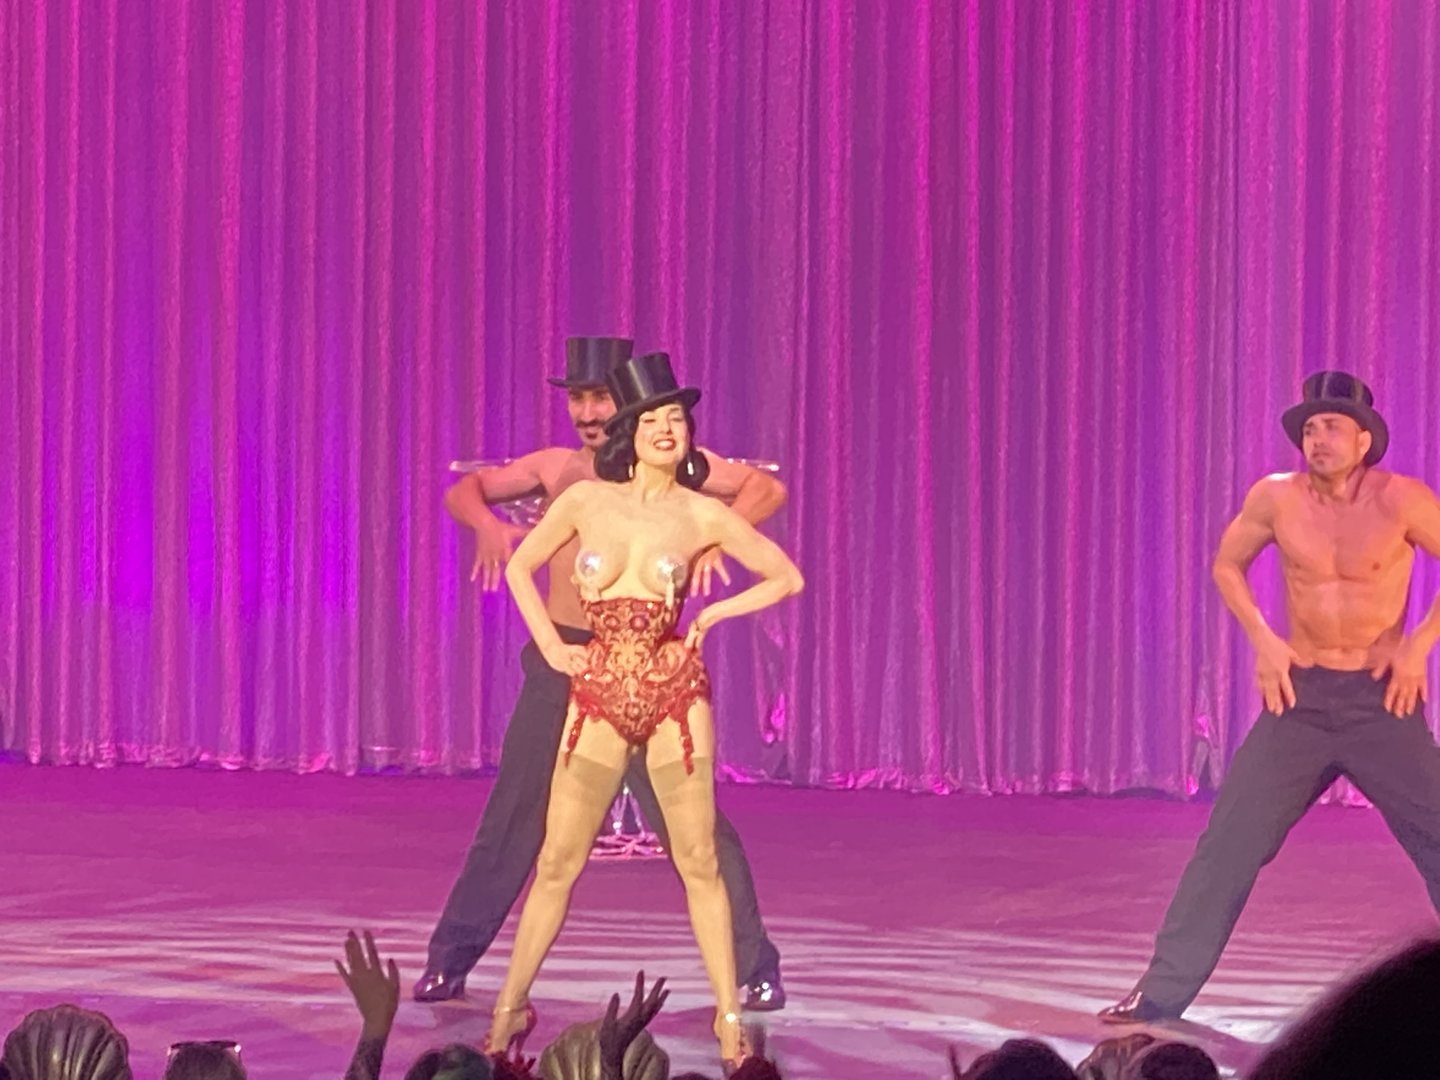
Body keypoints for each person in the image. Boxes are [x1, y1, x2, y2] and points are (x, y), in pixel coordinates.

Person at [417, 337, 789, 1012]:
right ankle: (450, 960)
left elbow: (765, 488)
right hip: (565, 661)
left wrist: (714, 537)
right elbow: (466, 490)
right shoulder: (556, 469)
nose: (588, 412)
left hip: (648, 670)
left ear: (629, 407)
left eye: (601, 399)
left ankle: (754, 967)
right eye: (578, 399)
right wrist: (487, 528)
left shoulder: (675, 467)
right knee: (515, 814)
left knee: (696, 832)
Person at [1101, 371, 1440, 1022]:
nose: (1318, 439)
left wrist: (1418, 646)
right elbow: (1227, 564)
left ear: (1364, 440)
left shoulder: (1402, 500)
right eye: (1310, 428)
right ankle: (1161, 993)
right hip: (1300, 703)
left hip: (1381, 705)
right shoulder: (1277, 497)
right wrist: (1264, 639)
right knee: (1228, 845)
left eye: (1332, 426)